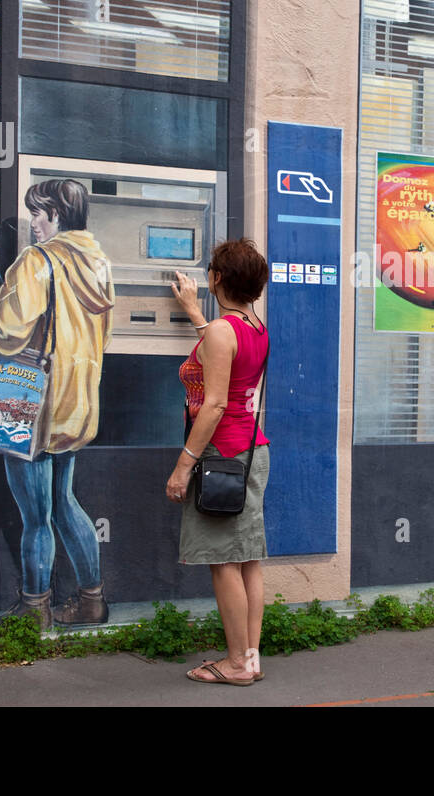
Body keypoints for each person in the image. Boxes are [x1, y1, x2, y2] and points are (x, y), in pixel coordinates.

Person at [0, 179, 115, 630]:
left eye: (39, 213)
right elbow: (102, 336)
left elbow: (7, 331)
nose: (33, 222)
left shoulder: (37, 262)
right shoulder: (98, 263)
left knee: (36, 516)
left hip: (34, 407)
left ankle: (33, 610)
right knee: (64, 501)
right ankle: (91, 601)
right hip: (76, 405)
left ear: (58, 214)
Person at [167, 238, 270, 687]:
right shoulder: (254, 327)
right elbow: (220, 348)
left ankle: (233, 666)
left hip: (220, 456)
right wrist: (194, 313)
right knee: (247, 559)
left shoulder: (220, 332)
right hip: (252, 452)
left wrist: (183, 465)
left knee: (224, 561)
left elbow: (213, 406)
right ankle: (249, 657)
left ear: (216, 279)